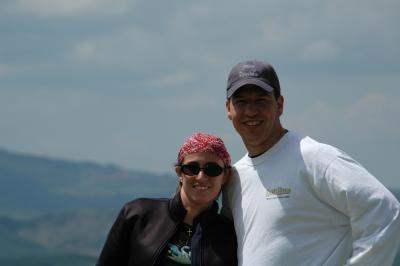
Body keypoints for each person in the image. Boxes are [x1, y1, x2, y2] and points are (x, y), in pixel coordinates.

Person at [222, 59, 400, 266]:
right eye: (241, 101)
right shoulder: (235, 177)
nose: (251, 111)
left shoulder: (314, 157)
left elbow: (384, 209)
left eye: (261, 100)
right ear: (229, 108)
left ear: (279, 105)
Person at [96, 132, 238, 266]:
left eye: (212, 169)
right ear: (179, 172)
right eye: (192, 168)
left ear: (225, 176)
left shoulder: (231, 237)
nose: (201, 177)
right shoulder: (137, 214)